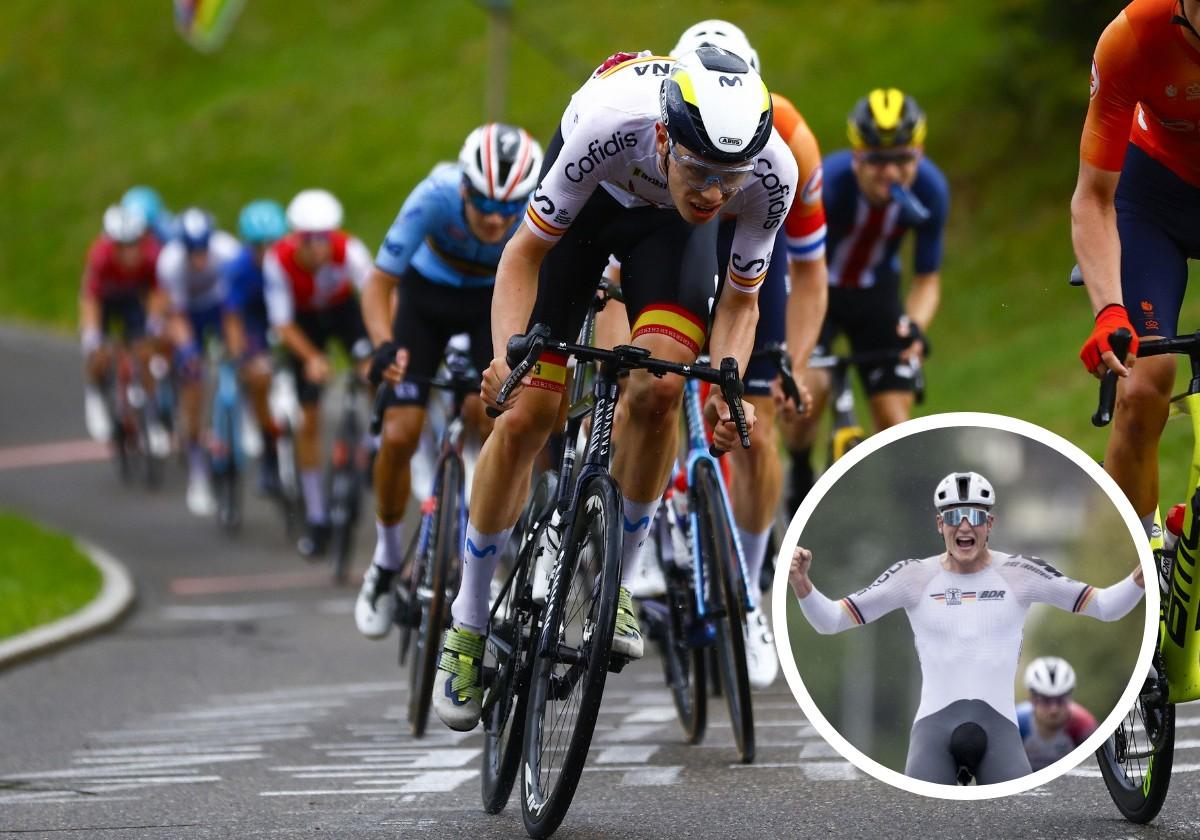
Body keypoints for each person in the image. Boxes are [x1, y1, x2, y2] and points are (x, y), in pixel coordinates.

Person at [431, 46, 797, 731]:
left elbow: (741, 304)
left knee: (661, 392)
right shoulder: (610, 125)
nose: (716, 193)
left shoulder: (770, 173)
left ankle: (620, 580)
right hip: (591, 204)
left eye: (730, 178)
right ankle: (468, 625)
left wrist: (726, 388)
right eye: (701, 171)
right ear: (666, 136)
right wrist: (503, 357)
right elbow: (524, 253)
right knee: (527, 412)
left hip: (669, 235)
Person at [788, 471, 1144, 784]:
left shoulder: (1021, 573)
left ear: (990, 524)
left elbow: (1106, 607)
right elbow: (831, 621)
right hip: (933, 728)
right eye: (954, 516)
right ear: (939, 524)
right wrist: (803, 583)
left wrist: (1142, 577)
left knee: (1016, 821)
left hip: (1000, 728)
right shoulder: (913, 576)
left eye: (974, 516)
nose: (964, 526)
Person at [666, 19, 828, 689]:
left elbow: (812, 273)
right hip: (677, 230)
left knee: (756, 422)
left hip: (756, 243)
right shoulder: (656, 132)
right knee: (655, 379)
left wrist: (792, 355)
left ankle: (749, 595)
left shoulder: (791, 140)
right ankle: (662, 507)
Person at [353, 123, 543, 640]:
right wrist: (382, 343)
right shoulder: (433, 197)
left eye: (508, 208)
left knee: (497, 420)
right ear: (463, 187)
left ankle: (490, 554)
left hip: (491, 304)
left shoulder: (540, 205)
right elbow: (379, 284)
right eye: (482, 202)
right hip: (426, 301)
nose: (493, 217)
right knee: (399, 431)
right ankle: (387, 560)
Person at [1073, 0, 1200, 543]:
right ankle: (1134, 564)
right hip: (1153, 202)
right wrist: (1109, 313)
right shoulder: (1133, 36)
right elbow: (1093, 198)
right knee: (1146, 378)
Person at [786, 89, 949, 510]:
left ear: (920, 153)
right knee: (808, 394)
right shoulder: (829, 183)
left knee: (896, 421)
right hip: (819, 291)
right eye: (876, 160)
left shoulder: (930, 190)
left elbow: (928, 279)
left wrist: (913, 327)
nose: (890, 173)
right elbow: (796, 263)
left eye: (902, 159)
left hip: (877, 295)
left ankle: (892, 511)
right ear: (857, 157)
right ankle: (800, 468)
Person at [264, 189, 372, 556]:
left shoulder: (350, 251)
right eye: (309, 241)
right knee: (308, 415)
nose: (319, 249)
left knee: (374, 370)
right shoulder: (277, 261)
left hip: (344, 311)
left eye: (325, 240)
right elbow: (282, 324)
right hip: (304, 322)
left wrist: (374, 351)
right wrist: (311, 358)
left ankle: (373, 442)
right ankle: (316, 514)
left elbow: (373, 296)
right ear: (296, 238)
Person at [157, 207, 241, 515]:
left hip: (220, 307)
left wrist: (237, 349)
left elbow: (235, 308)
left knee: (242, 354)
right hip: (188, 313)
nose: (200, 258)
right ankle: (198, 474)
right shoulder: (170, 263)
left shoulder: (227, 251)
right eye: (193, 251)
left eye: (203, 249)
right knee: (192, 382)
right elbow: (176, 317)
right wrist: (190, 351)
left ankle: (242, 417)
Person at [80, 204, 168, 443]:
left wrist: (154, 321)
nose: (130, 252)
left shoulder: (152, 254)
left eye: (134, 244)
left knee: (146, 352)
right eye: (123, 246)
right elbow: (90, 299)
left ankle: (151, 419)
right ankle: (95, 395)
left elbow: (157, 292)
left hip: (132, 298)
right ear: (113, 244)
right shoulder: (99, 256)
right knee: (98, 355)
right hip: (105, 301)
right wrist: (92, 335)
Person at [222, 199, 290, 494]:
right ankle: (269, 448)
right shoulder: (238, 269)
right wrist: (242, 356)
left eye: (273, 244)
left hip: (284, 318)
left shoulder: (289, 262)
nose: (267, 253)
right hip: (254, 323)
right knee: (259, 378)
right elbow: (233, 318)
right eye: (259, 246)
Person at [1015, 656, 1098, 771]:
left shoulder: (1083, 725)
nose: (1054, 709)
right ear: (1031, 700)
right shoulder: (1017, 723)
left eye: (1060, 700)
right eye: (1045, 700)